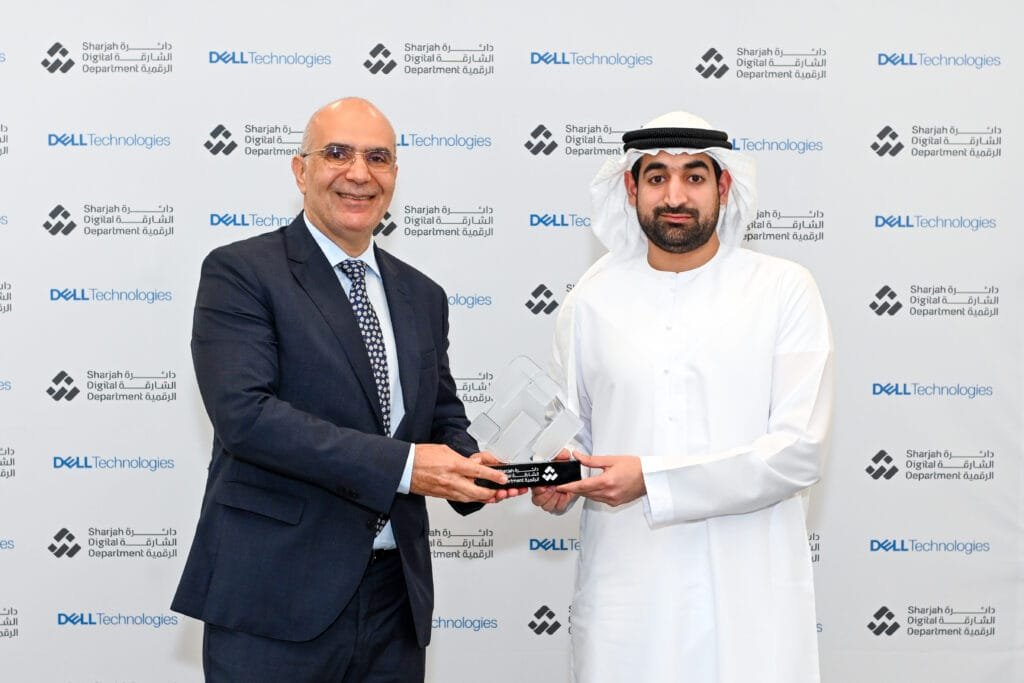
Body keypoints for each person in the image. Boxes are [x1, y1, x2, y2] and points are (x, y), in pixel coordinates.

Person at [172, 97, 518, 682]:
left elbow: (439, 417)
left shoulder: (423, 295)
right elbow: (246, 418)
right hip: (274, 597)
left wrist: (482, 471)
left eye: (378, 158)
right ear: (299, 170)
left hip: (395, 604)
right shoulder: (241, 271)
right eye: (337, 153)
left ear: (395, 175)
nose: (359, 173)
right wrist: (407, 468)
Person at [532, 111, 834, 683]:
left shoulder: (783, 289)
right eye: (657, 177)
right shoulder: (591, 299)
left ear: (724, 186)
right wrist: (560, 480)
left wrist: (652, 479)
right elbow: (578, 438)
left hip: (748, 590)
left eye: (694, 176)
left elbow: (798, 452)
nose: (675, 196)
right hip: (628, 594)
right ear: (631, 188)